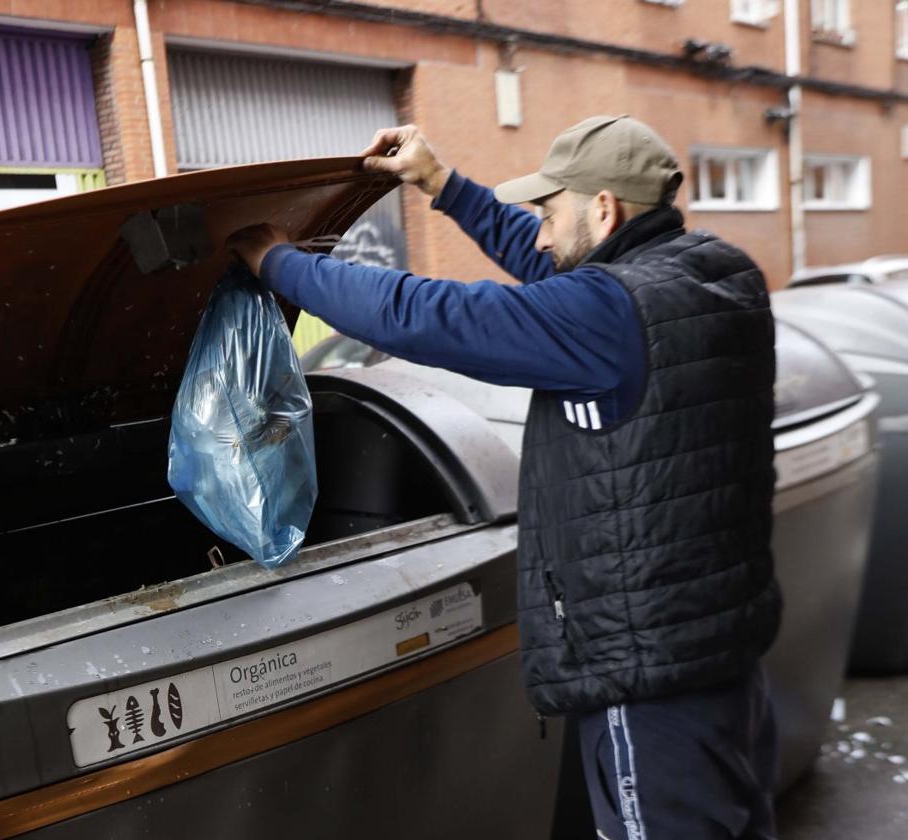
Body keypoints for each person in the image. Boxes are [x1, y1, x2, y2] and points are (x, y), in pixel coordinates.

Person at [228, 115, 782, 840]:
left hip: (647, 682)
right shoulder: (714, 272)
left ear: (606, 209)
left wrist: (279, 263)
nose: (542, 237)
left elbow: (428, 316)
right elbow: (560, 268)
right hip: (718, 654)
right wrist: (442, 185)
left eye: (550, 214)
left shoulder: (610, 314)